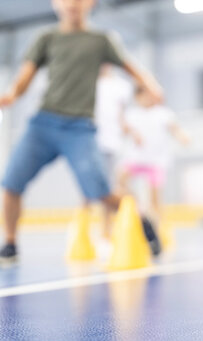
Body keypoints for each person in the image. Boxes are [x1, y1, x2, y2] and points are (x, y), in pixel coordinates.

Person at [0, 0, 162, 268]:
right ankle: (9, 245)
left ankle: (142, 220)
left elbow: (131, 68)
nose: (73, 3)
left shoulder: (101, 40)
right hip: (43, 123)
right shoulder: (46, 38)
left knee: (101, 193)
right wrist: (11, 95)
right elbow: (25, 76)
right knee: (10, 183)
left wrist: (151, 87)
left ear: (91, 3)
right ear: (56, 4)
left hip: (80, 129)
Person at [118, 86, 189, 241]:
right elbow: (124, 128)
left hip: (156, 161)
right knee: (120, 180)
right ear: (137, 97)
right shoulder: (132, 114)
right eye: (145, 95)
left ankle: (158, 230)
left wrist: (182, 136)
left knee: (156, 199)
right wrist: (132, 132)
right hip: (136, 158)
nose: (149, 99)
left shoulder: (163, 113)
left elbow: (174, 128)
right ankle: (139, 208)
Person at [91, 65, 133, 242]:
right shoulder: (90, 82)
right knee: (90, 187)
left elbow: (121, 112)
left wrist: (127, 130)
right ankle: (95, 230)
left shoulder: (120, 86)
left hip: (112, 142)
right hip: (91, 140)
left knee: (110, 188)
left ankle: (107, 231)